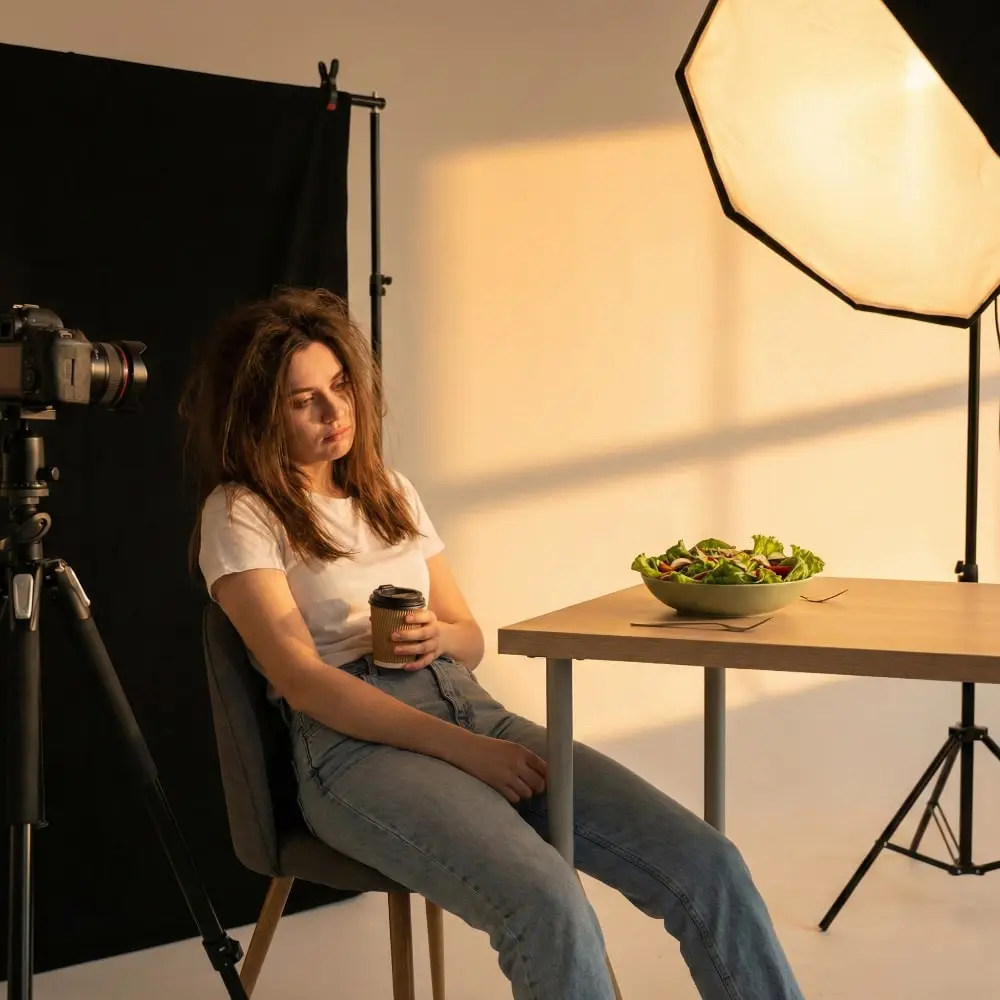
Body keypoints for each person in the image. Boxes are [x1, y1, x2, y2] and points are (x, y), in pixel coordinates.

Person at [180, 287, 806, 1000]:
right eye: (304, 401)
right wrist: (466, 751)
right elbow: (302, 680)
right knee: (545, 900)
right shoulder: (241, 512)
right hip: (354, 748)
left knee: (707, 862)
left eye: (340, 385)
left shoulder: (389, 490)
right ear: (259, 414)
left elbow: (468, 637)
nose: (334, 411)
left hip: (469, 707)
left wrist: (438, 636)